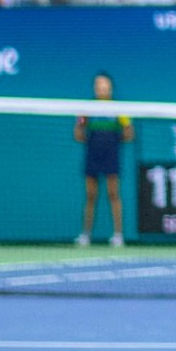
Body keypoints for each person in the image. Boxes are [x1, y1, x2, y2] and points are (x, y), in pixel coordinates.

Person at [74, 72, 133, 247]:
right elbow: (78, 131)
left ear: (111, 88)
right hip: (92, 154)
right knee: (90, 196)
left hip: (111, 155)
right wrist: (91, 140)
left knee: (113, 194)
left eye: (104, 85)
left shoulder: (118, 109)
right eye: (98, 85)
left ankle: (118, 235)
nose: (101, 88)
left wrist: (113, 140)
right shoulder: (87, 108)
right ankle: (85, 235)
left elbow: (129, 132)